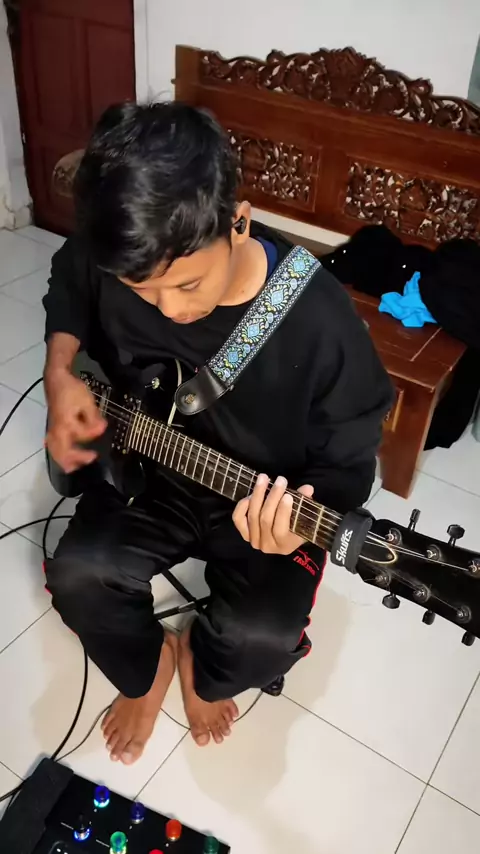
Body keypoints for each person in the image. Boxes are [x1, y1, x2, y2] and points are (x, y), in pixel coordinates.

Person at [43, 101, 393, 765]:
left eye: (188, 284)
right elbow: (70, 276)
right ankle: (149, 668)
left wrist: (302, 521)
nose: (169, 308)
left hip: (266, 502)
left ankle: (204, 669)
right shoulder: (124, 251)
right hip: (148, 470)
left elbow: (350, 455)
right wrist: (61, 371)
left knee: (262, 638)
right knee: (78, 576)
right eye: (143, 291)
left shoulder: (319, 318)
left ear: (239, 222)